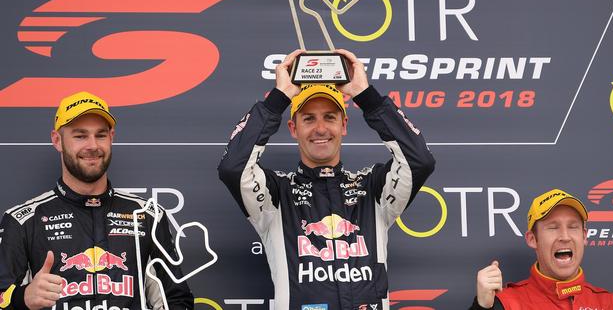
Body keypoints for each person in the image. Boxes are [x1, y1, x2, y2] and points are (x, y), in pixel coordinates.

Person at [218, 49, 435, 310]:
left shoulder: (373, 190)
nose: (320, 129)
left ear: (343, 125)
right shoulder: (276, 197)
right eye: (309, 119)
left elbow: (419, 160)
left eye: (329, 117)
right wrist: (278, 100)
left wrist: (367, 97)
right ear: (293, 128)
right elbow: (233, 167)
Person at [0, 91, 194, 310]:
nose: (92, 145)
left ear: (112, 137)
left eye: (100, 135)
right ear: (57, 140)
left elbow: (176, 301)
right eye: (80, 136)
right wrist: (23, 298)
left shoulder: (147, 215)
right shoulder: (22, 220)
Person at [470, 188, 613, 310]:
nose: (565, 236)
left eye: (573, 227)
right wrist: (482, 307)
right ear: (532, 239)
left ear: (584, 236)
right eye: (553, 227)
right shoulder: (506, 304)